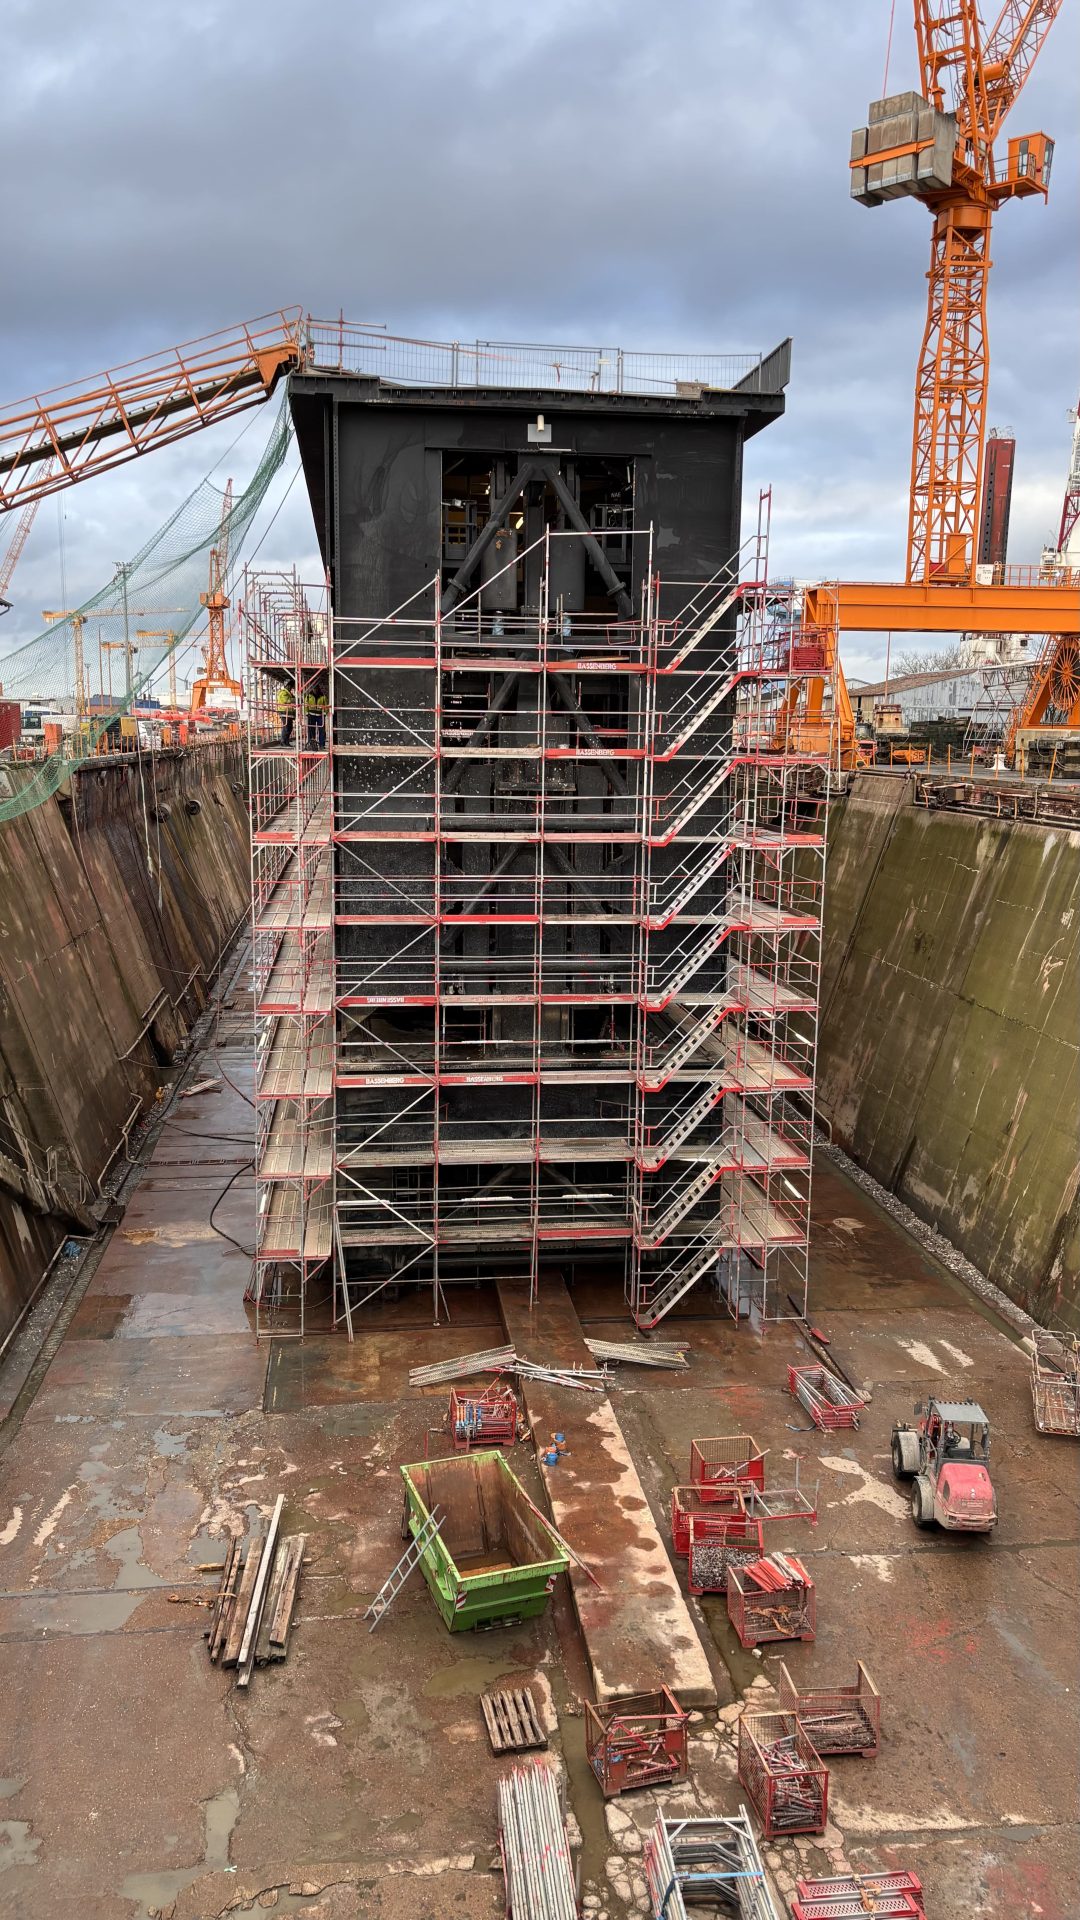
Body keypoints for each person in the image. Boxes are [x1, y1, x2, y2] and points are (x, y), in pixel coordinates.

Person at [277, 679, 295, 745]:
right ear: (286, 685)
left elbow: (293, 698)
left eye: (291, 686)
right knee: (286, 727)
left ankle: (286, 741)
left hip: (288, 713)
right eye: (290, 686)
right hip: (284, 712)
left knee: (290, 728)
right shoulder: (283, 692)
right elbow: (286, 700)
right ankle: (283, 741)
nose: (291, 687)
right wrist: (295, 700)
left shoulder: (289, 693)